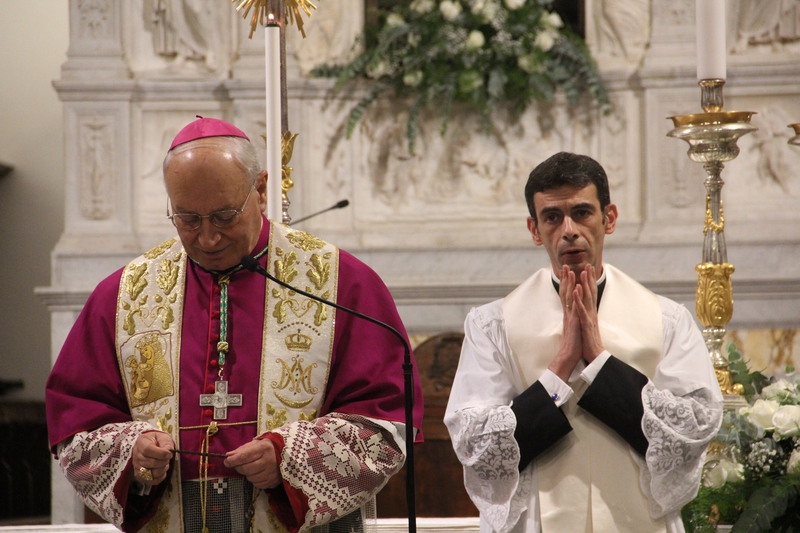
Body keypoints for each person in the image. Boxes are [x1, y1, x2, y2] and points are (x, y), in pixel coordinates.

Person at [46, 117, 423, 533]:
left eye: (224, 216)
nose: (208, 238)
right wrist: (130, 453)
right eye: (188, 219)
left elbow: (389, 422)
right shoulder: (125, 296)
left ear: (260, 191)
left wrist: (289, 458)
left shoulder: (340, 283)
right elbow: (74, 423)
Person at [445, 152, 723, 533]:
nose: (569, 230)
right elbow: (477, 446)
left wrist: (598, 360)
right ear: (533, 228)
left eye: (582, 212)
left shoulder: (668, 320)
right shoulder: (492, 325)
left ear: (609, 218)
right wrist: (561, 366)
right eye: (553, 217)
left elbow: (693, 430)